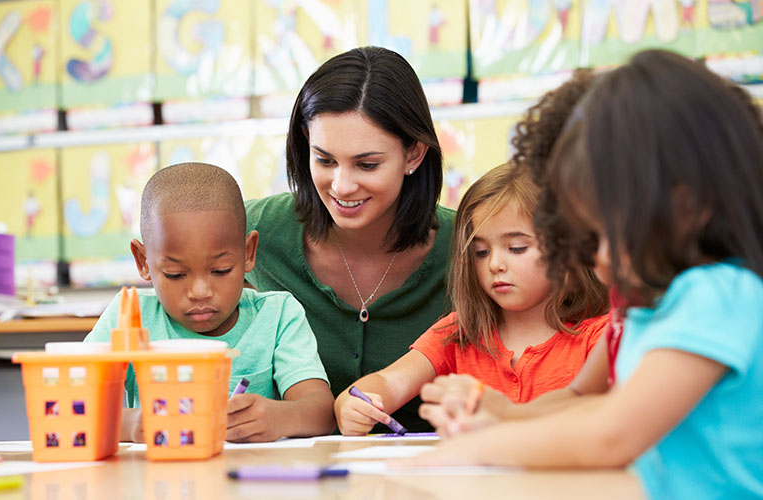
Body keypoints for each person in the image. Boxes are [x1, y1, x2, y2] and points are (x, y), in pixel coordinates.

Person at [404, 50, 763, 499]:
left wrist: (485, 447)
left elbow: (614, 432)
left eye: (606, 235)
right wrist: (505, 413)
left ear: (686, 206)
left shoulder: (718, 295)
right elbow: (586, 401)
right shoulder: (647, 306)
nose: (598, 262)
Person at [244, 46, 455, 432]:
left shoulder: (471, 246)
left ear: (414, 154)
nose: (341, 185)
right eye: (324, 160)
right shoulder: (254, 230)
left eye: (367, 164)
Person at [334, 162, 609, 435]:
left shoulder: (601, 337)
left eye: (516, 248)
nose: (495, 265)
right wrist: (354, 404)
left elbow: (605, 423)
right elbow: (389, 383)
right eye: (480, 252)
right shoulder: (459, 332)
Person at [419, 69, 613, 431]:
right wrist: (500, 415)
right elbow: (578, 396)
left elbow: (614, 431)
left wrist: (498, 425)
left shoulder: (706, 300)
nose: (580, 250)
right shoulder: (630, 312)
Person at [86, 162, 335, 443]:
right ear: (143, 261)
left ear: (248, 253)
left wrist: (280, 417)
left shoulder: (277, 315)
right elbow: (74, 405)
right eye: (175, 274)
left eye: (220, 271)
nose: (200, 291)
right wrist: (130, 424)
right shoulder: (128, 317)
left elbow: (322, 412)